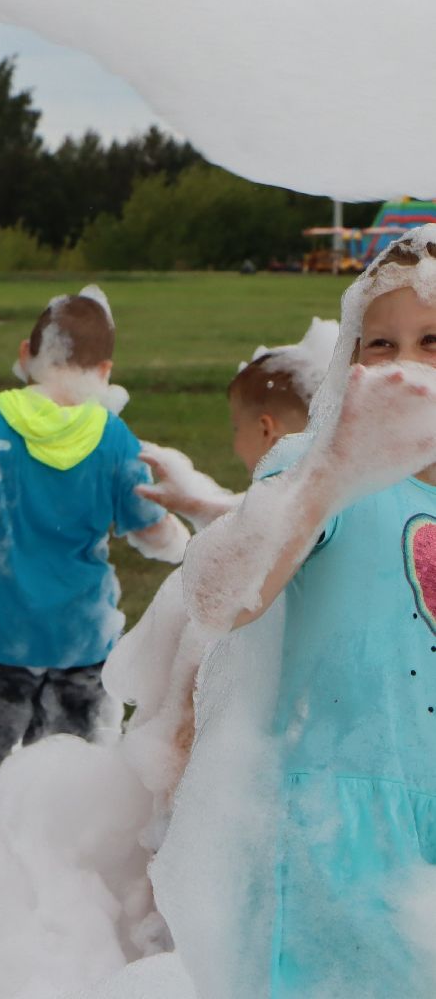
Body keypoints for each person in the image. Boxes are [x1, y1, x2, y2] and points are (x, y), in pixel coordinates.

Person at [167, 226, 436, 994]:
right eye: (378, 345)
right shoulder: (314, 471)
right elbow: (216, 596)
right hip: (334, 826)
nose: (405, 365)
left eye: (432, 339)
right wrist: (331, 472)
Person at [0, 288, 190, 810]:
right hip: (80, 643)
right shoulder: (115, 437)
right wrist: (183, 540)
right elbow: (155, 533)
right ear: (104, 370)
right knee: (70, 799)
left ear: (25, 353)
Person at [106, 321, 333, 826]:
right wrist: (196, 502)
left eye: (237, 429)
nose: (234, 445)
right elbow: (268, 525)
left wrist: (175, 742)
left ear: (267, 428)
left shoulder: (289, 502)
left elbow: (207, 637)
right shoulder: (333, 488)